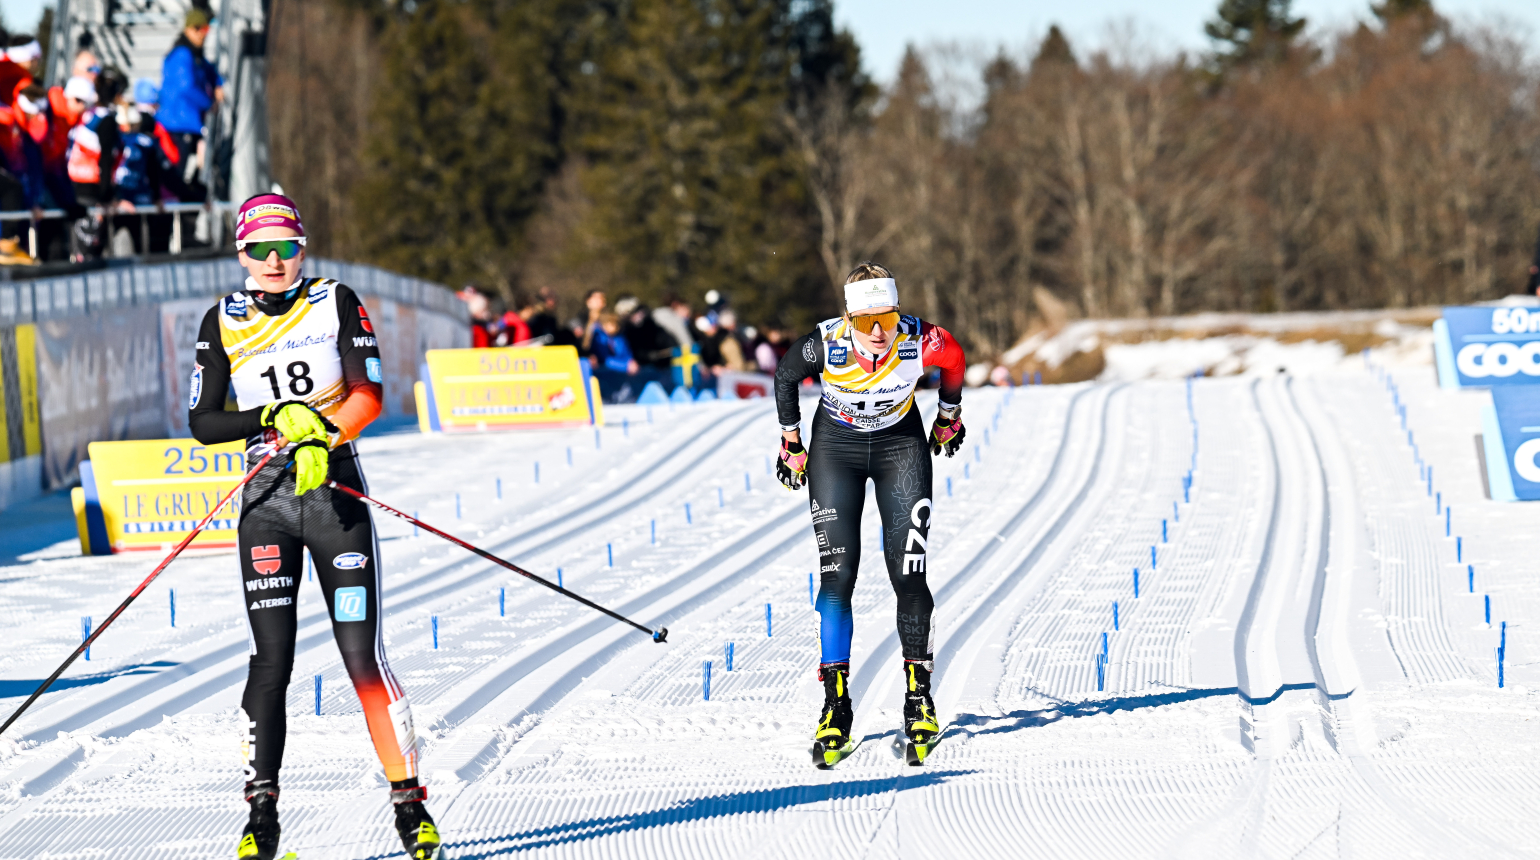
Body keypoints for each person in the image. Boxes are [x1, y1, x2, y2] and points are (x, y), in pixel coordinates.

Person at [188, 194, 442, 860]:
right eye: (259, 249)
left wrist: (324, 434)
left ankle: (410, 807)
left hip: (335, 499)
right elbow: (204, 423)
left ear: (303, 247)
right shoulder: (222, 319)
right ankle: (261, 821)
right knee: (272, 662)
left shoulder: (336, 300)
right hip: (266, 503)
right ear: (240, 253)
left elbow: (370, 394)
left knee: (362, 658)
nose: (274, 261)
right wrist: (273, 417)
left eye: (287, 247)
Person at [772, 261, 967, 767]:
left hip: (899, 449)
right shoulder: (825, 343)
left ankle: (919, 699)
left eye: (887, 317)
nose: (878, 332)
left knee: (910, 575)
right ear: (848, 319)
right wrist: (791, 440)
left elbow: (956, 359)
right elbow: (786, 374)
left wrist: (950, 415)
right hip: (836, 450)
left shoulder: (921, 338)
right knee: (837, 580)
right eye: (865, 323)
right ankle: (836, 706)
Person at [158, 8, 223, 190]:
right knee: (178, 177)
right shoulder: (182, 55)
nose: (203, 35)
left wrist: (218, 83)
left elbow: (209, 70)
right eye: (198, 29)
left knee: (191, 175)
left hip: (188, 126)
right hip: (177, 126)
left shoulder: (196, 56)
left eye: (205, 29)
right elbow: (186, 87)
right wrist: (209, 104)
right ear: (188, 29)